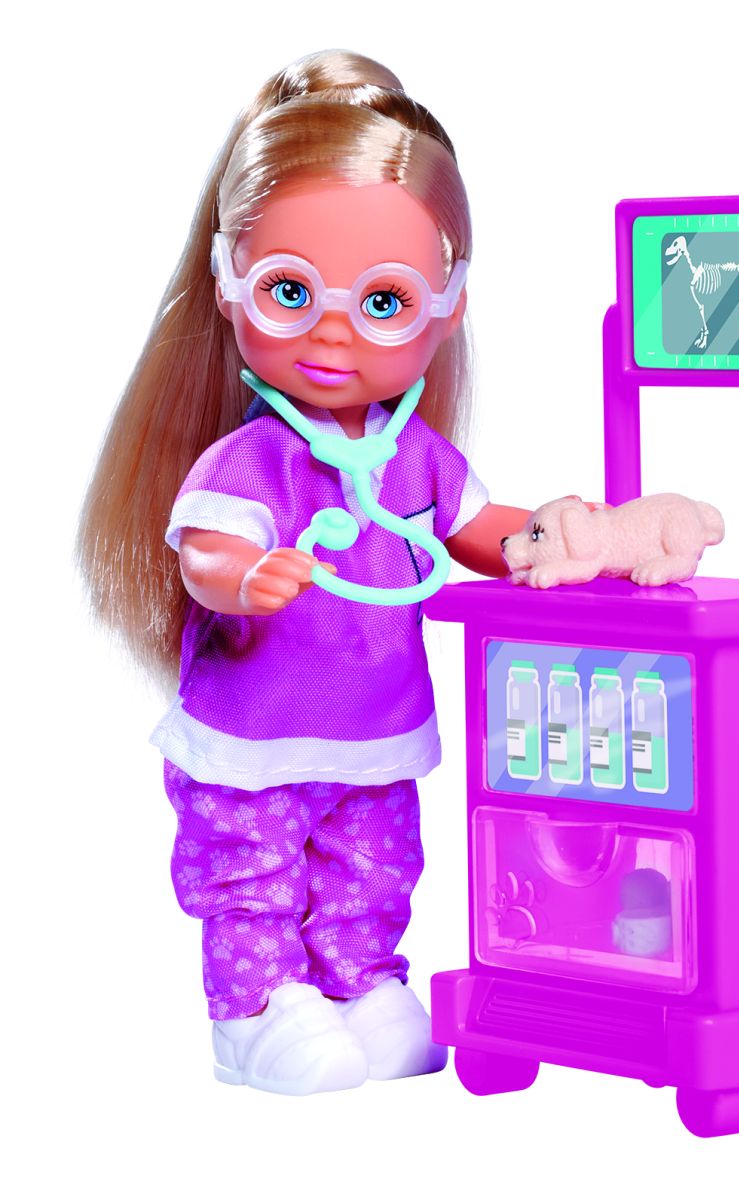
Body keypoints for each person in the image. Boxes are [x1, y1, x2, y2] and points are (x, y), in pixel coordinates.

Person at [78, 49, 528, 1096]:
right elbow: (207, 549)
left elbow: (482, 530)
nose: (332, 332)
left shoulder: (413, 456)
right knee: (255, 870)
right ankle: (255, 1012)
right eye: (290, 292)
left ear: (447, 305)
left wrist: (559, 541)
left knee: (372, 862)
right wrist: (245, 579)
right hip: (253, 732)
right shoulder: (253, 459)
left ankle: (362, 983)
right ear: (228, 282)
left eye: (383, 302)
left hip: (374, 728)